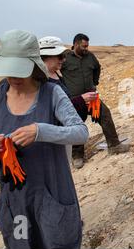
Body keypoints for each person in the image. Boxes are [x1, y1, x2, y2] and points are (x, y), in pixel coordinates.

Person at [0, 30, 88, 249]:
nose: (13, 77)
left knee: (58, 242)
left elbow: (80, 132)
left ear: (34, 65)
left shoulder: (52, 94)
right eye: (8, 70)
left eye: (19, 70)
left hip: (52, 195)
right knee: (21, 243)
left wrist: (40, 131)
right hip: (15, 200)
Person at [61, 33, 130, 169]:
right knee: (76, 125)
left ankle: (114, 145)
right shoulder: (66, 58)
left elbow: (97, 68)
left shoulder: (90, 57)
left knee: (105, 115)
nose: (86, 48)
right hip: (76, 100)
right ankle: (77, 156)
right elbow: (57, 72)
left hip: (92, 98)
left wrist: (94, 82)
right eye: (84, 46)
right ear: (75, 44)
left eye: (87, 46)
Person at [39, 36, 98, 167]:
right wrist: (82, 99)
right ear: (46, 57)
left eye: (63, 56)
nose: (64, 60)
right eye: (60, 56)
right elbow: (54, 108)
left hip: (62, 134)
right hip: (51, 138)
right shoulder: (41, 82)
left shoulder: (57, 74)